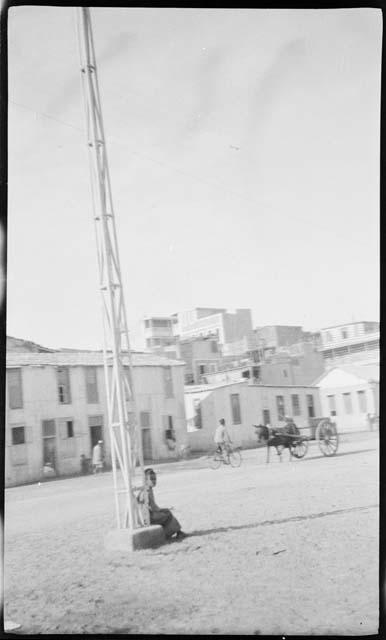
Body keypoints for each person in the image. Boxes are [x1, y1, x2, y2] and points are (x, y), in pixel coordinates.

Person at [137, 468, 187, 541]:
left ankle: (176, 532)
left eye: (155, 479)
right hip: (149, 517)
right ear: (146, 481)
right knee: (168, 514)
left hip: (147, 516)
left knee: (166, 513)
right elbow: (153, 508)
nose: (154, 481)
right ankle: (170, 534)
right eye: (152, 479)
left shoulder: (145, 489)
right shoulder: (147, 491)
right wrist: (164, 509)